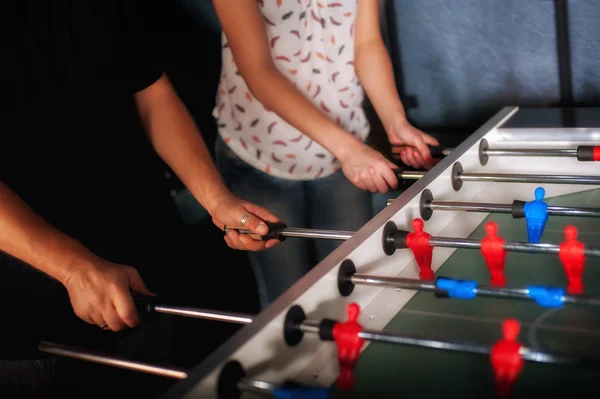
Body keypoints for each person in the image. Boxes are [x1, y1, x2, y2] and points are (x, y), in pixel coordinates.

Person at [0, 1, 280, 397]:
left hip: (141, 272)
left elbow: (152, 92)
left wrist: (215, 199)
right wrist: (73, 267)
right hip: (28, 315)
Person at [211, 0, 439, 308]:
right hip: (260, 154)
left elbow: (367, 42)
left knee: (350, 286)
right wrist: (349, 150)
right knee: (288, 301)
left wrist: (395, 123)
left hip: (345, 151)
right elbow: (258, 71)